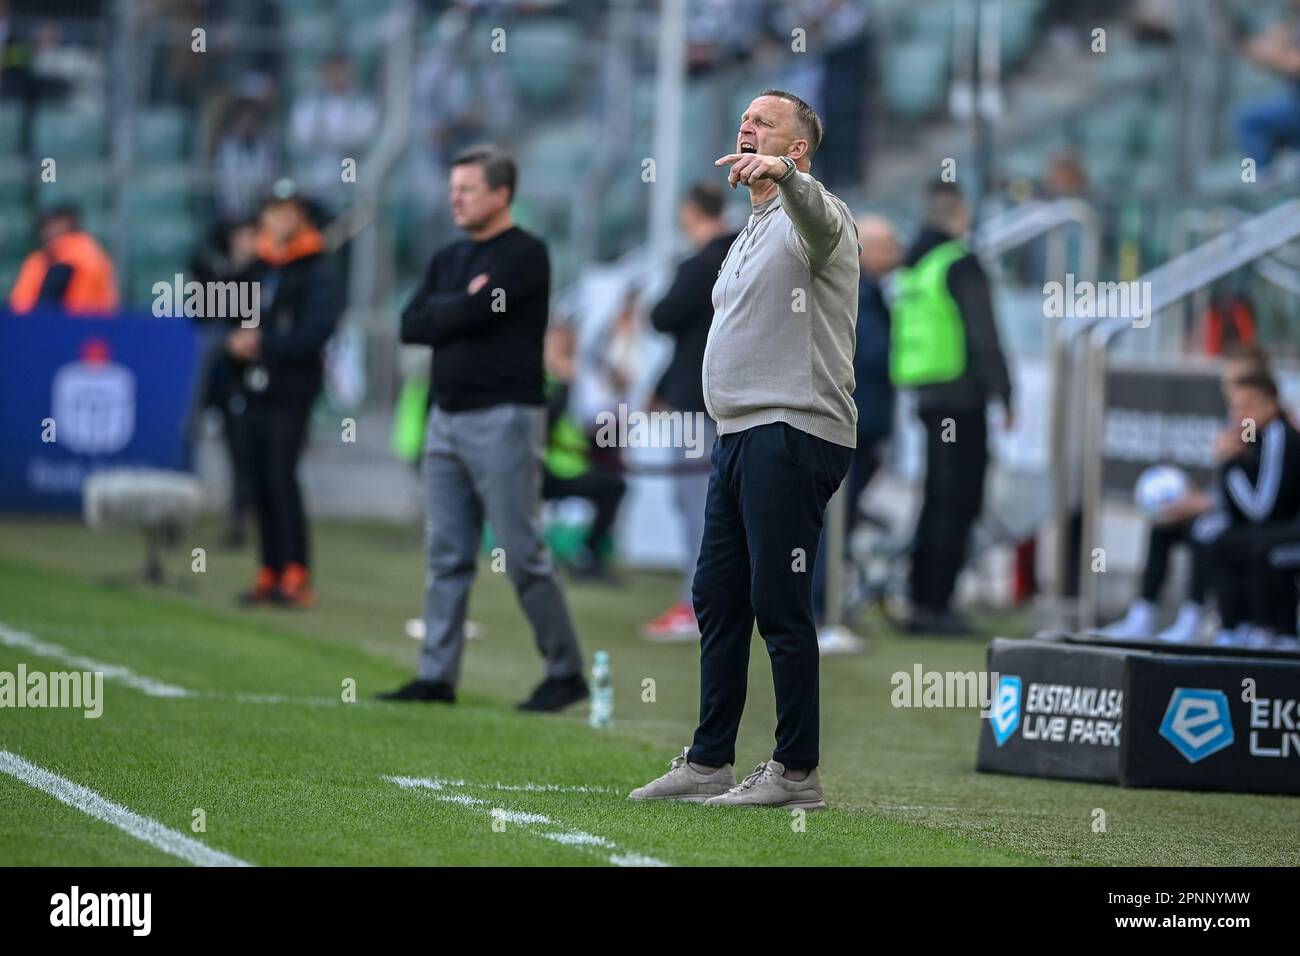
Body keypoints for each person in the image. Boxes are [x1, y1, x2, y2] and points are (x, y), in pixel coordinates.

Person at [629, 90, 858, 809]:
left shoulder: (816, 216)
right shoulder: (752, 226)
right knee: (716, 597)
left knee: (777, 603)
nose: (747, 125)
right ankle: (708, 761)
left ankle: (796, 773)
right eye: (745, 118)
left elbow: (816, 215)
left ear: (798, 152)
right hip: (740, 435)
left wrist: (789, 180)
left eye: (766, 121)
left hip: (792, 430)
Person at [378, 145, 588, 712]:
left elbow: (473, 313)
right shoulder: (449, 258)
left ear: (501, 195)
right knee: (446, 552)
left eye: (467, 189)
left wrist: (451, 312)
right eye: (453, 189)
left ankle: (565, 672)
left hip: (505, 419)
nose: (456, 199)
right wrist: (457, 307)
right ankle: (436, 676)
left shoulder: (527, 253)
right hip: (445, 420)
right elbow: (410, 324)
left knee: (521, 553)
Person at [892, 180, 1013, 636]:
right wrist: (1006, 391)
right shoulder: (960, 262)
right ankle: (938, 605)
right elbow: (984, 332)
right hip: (962, 399)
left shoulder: (914, 263)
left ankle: (921, 599)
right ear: (958, 214)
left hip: (927, 395)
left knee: (936, 498)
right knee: (960, 500)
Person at [1100, 344, 1270, 643]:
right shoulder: (1241, 422)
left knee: (1205, 529)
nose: (1230, 391)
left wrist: (1204, 501)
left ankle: (1198, 615)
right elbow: (1232, 481)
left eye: (1236, 382)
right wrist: (1200, 496)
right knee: (1163, 524)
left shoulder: (1269, 425)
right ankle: (1144, 614)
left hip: (1254, 521)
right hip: (1231, 508)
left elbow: (1262, 496)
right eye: (1227, 383)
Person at [230, 182, 340, 609]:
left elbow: (316, 331)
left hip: (291, 387)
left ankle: (296, 572)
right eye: (273, 210)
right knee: (255, 477)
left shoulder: (316, 268)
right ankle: (268, 569)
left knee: (281, 475)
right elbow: (215, 305)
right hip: (251, 385)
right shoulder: (258, 264)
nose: (279, 219)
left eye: (287, 210)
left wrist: (265, 343)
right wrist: (232, 340)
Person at [642, 181, 737, 640]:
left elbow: (663, 317)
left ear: (690, 211)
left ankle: (697, 607)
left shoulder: (700, 263)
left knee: (696, 507)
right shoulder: (742, 254)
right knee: (714, 508)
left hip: (697, 406)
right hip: (731, 400)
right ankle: (712, 603)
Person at [813, 214, 898, 654]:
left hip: (860, 424)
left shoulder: (871, 292)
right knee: (834, 520)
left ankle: (825, 607)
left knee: (838, 521)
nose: (895, 253)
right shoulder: (858, 292)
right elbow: (868, 358)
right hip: (852, 425)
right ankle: (820, 610)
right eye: (887, 244)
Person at [1208, 370, 1300, 648]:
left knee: (1263, 548)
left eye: (1248, 406)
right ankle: (1236, 626)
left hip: (1290, 529)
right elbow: (1235, 511)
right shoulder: (1251, 439)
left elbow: (1261, 510)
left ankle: (1275, 632)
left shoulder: (1278, 434)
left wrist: (1229, 465)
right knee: (1219, 541)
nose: (1241, 415)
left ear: (1271, 405)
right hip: (1277, 528)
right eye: (1235, 407)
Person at [541, 323, 626, 583]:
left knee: (614, 486)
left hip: (568, 468)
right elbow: (544, 425)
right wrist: (563, 383)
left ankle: (588, 555)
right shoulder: (542, 381)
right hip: (539, 471)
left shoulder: (576, 382)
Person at [9, 206, 118, 316]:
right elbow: (20, 303)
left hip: (86, 324)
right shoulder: (37, 261)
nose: (52, 231)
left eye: (58, 225)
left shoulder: (84, 252)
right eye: (49, 226)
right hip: (44, 324)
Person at [1235, 1, 1300, 175]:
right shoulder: (1291, 17)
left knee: (1249, 121)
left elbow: (1294, 63)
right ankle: (1264, 180)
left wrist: (1269, 56)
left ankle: (1261, 182)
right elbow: (1272, 44)